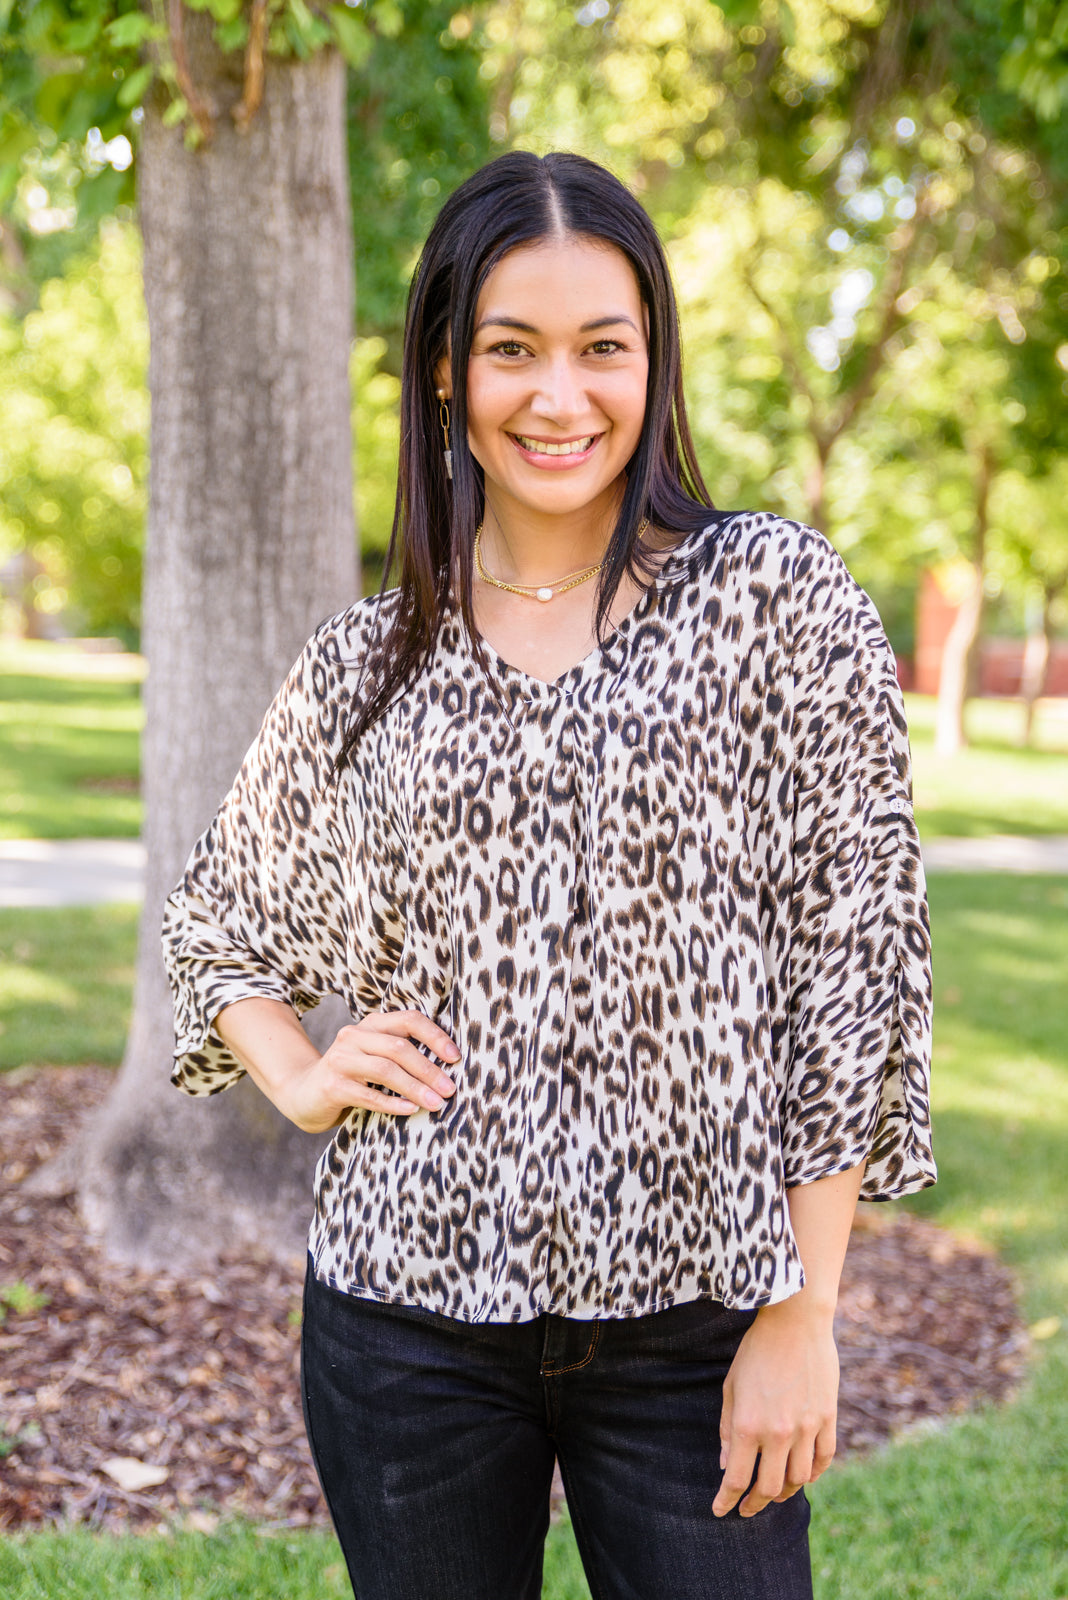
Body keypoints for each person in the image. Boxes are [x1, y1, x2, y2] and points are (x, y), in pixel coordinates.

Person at [162, 150, 935, 1600]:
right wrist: (305, 1075)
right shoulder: (368, 658)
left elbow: (856, 973)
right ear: (448, 373)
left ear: (656, 364)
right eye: (512, 349)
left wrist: (803, 1311)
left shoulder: (778, 603)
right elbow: (217, 921)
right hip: (407, 1328)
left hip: (704, 1324)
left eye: (603, 349)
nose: (560, 396)